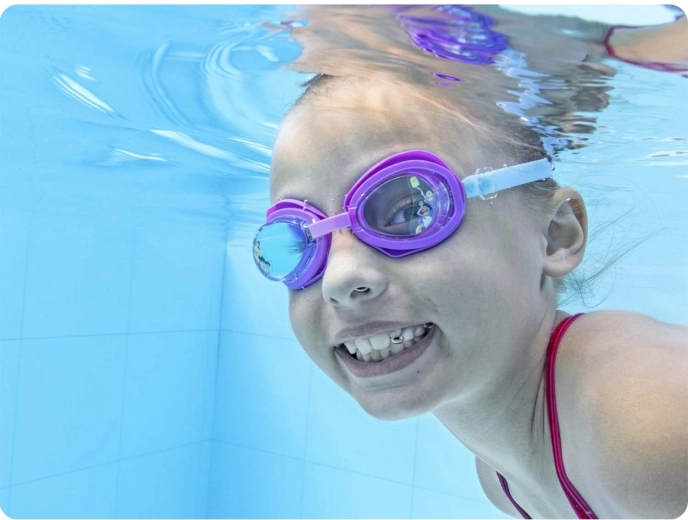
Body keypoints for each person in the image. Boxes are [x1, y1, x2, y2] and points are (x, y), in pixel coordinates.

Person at [254, 7, 688, 519]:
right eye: (297, 241)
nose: (340, 278)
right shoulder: (501, 480)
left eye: (411, 209)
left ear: (554, 235)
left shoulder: (645, 419)